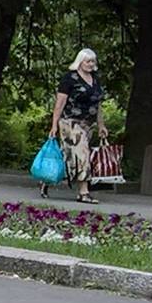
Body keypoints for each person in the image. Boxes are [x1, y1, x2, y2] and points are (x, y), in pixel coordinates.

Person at [47, 47, 106, 204]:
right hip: (70, 122)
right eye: (88, 61)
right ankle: (83, 192)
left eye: (93, 61)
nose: (91, 64)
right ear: (80, 62)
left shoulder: (95, 79)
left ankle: (46, 180)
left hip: (88, 124)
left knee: (68, 156)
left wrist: (101, 125)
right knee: (82, 154)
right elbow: (60, 103)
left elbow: (98, 105)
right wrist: (54, 125)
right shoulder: (69, 79)